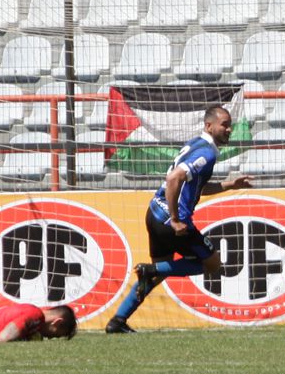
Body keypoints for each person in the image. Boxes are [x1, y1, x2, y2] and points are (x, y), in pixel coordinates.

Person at [105, 106, 253, 333]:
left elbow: (195, 188)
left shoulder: (195, 144)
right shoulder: (207, 153)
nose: (229, 129)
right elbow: (174, 178)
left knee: (154, 276)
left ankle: (118, 320)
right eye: (224, 124)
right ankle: (152, 269)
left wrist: (230, 185)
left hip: (154, 212)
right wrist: (175, 218)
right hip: (171, 222)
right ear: (209, 126)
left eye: (229, 124)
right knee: (212, 264)